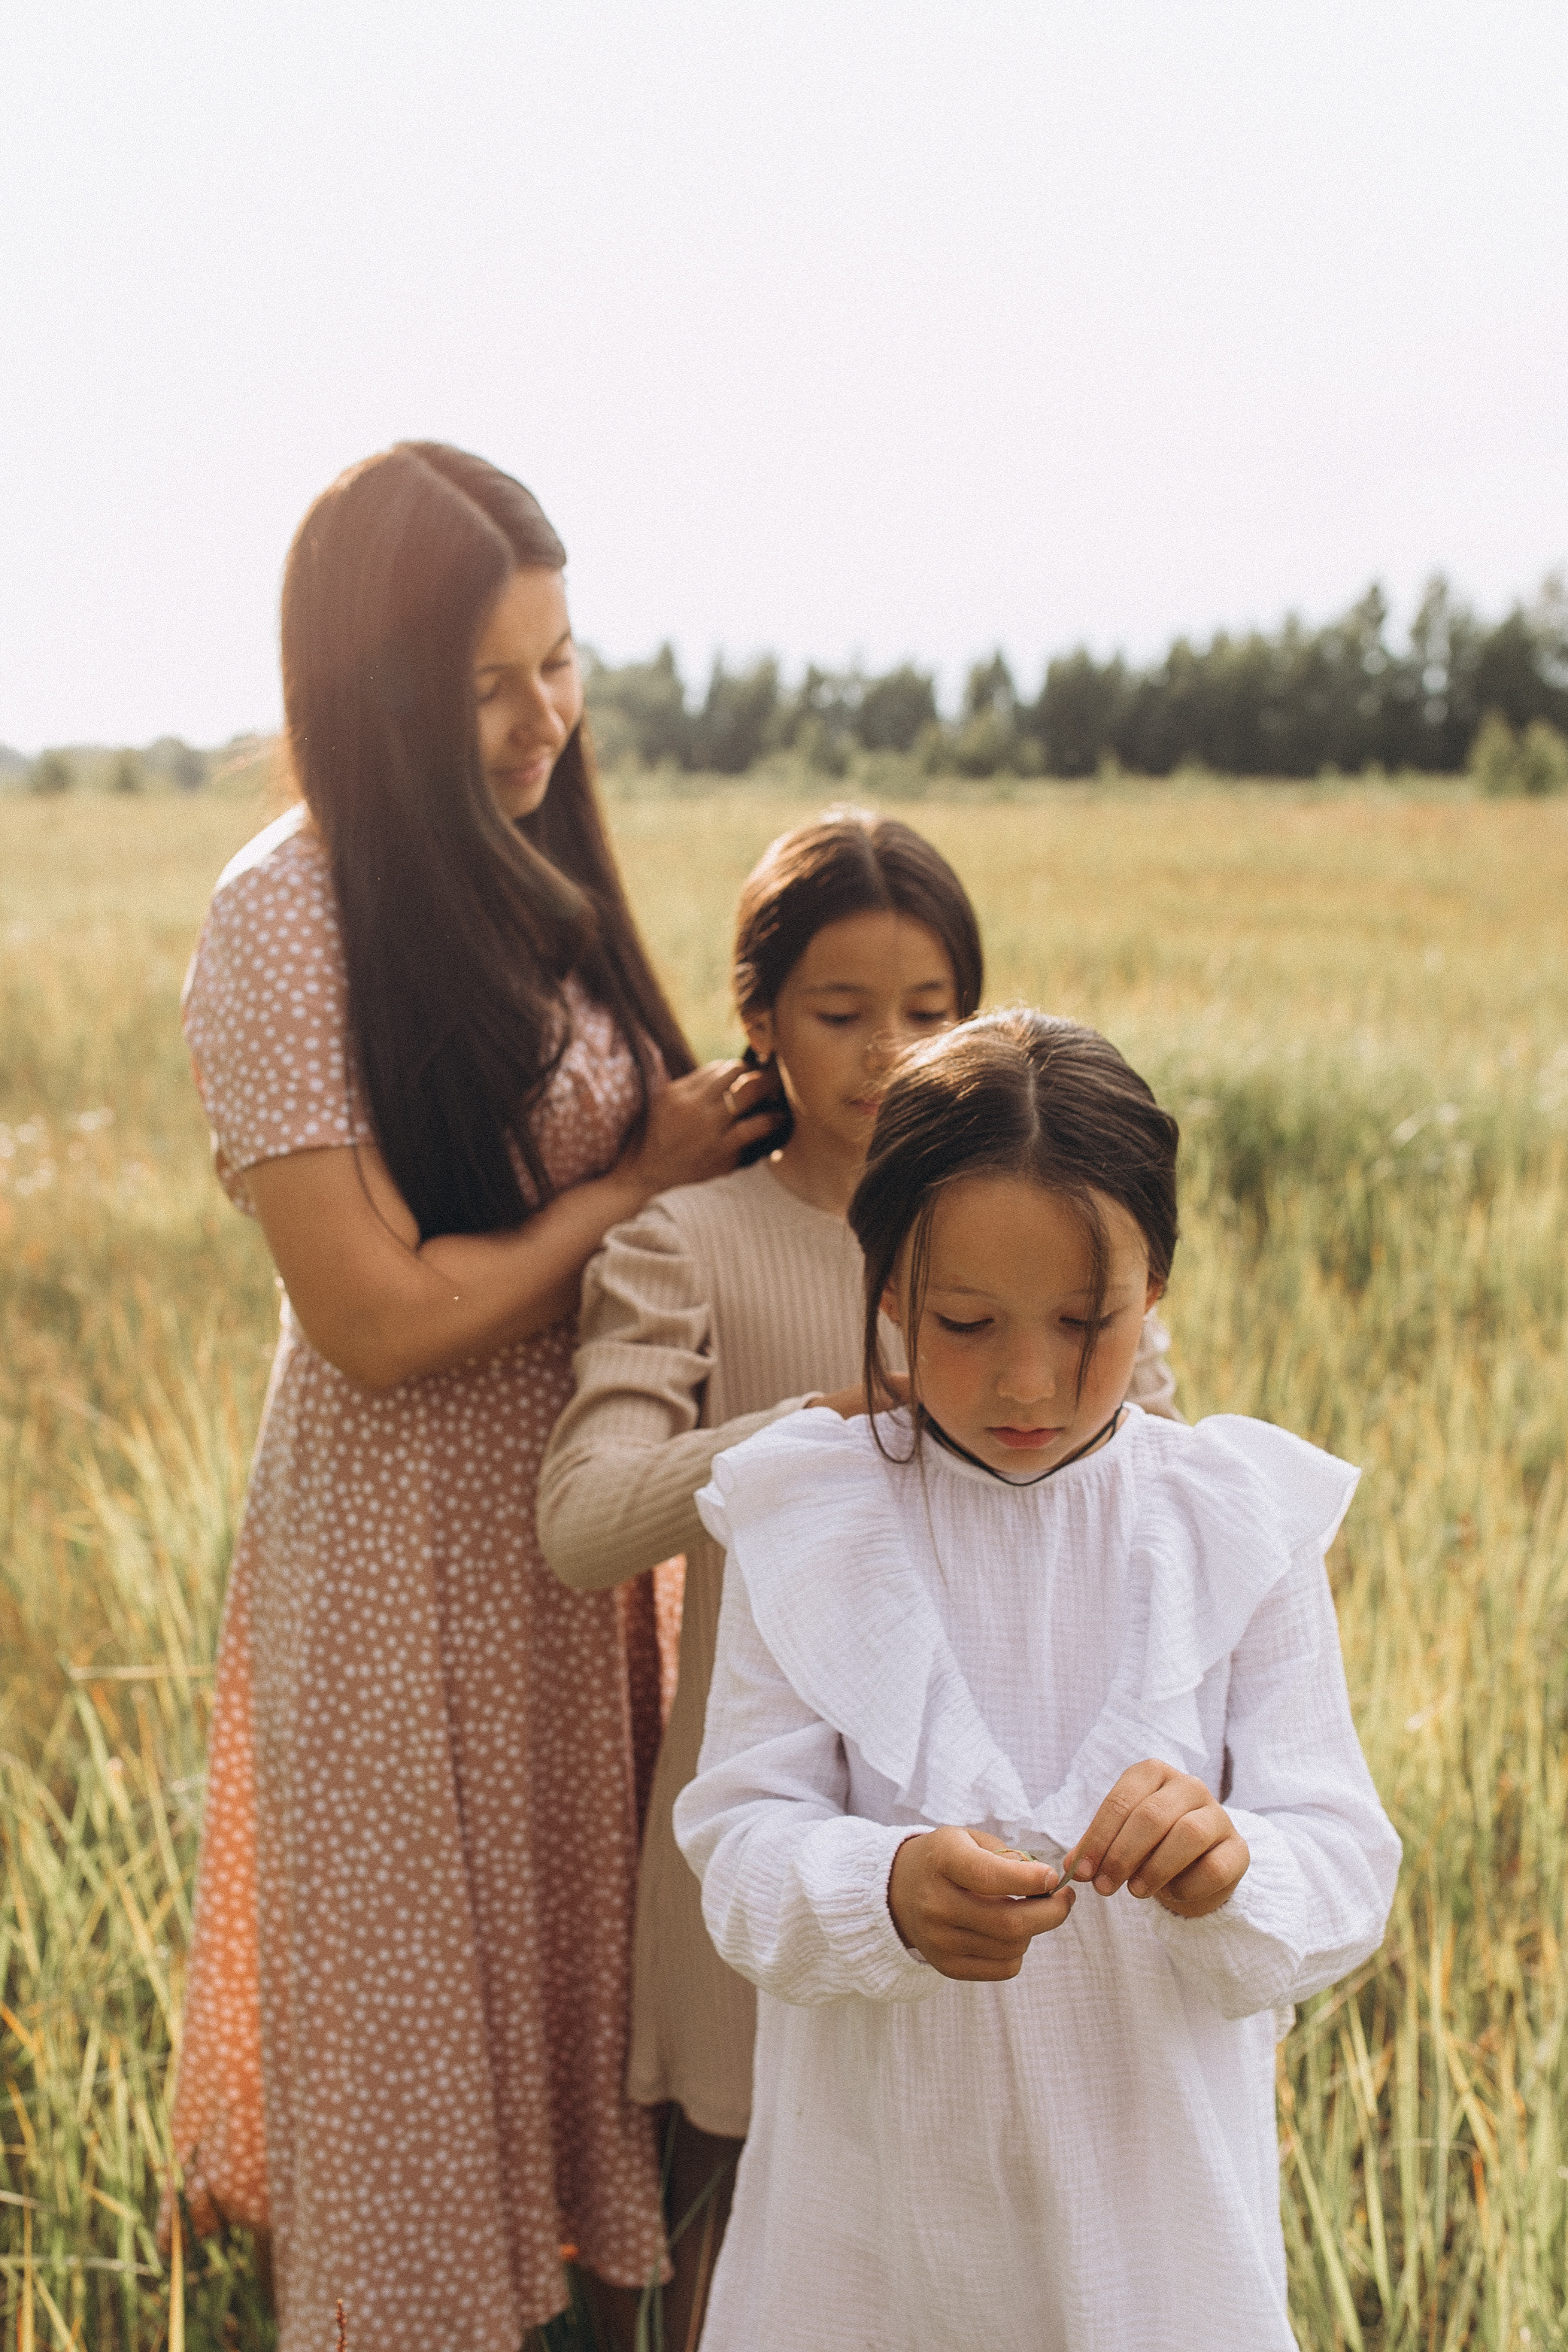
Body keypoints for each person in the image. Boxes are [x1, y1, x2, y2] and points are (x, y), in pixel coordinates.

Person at [169, 442, 778, 2352]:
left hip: (581, 1534)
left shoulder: (525, 870)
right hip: (400, 1560)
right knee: (423, 2047)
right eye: (489, 684)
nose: (544, 718)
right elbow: (367, 1315)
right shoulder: (284, 915)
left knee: (588, 2018)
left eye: (560, 661)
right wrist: (630, 1189)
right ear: (374, 693)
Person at [536, 827, 1181, 2344]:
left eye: (928, 1007)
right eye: (840, 1011)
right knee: (744, 2215)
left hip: (1026, 1836)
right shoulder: (685, 1241)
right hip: (774, 1810)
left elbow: (1152, 1483)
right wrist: (816, 1429)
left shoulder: (1044, 1238)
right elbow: (579, 1523)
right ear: (757, 1015)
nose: (887, 1049)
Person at [674, 1010, 1401, 2351]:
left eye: (1084, 1321)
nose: (1029, 1380)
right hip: (874, 2228)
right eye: (966, 1322)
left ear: (1155, 1284)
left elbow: (1345, 1862)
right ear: (888, 1288)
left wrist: (1231, 1864)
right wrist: (882, 1890)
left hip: (1154, 2230)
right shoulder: (810, 1519)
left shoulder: (1232, 1524)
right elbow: (738, 1849)